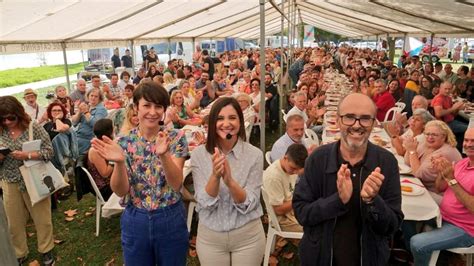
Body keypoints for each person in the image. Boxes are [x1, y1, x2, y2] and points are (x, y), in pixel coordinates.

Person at [293, 93, 403, 266]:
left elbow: (392, 226)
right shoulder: (318, 159)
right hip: (320, 257)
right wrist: (338, 201)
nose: (357, 125)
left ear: (374, 123)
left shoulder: (386, 163)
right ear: (338, 120)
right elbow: (302, 213)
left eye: (365, 119)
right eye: (349, 117)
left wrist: (373, 201)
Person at [90, 81, 189, 265]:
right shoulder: (123, 142)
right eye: (146, 105)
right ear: (136, 107)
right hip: (136, 220)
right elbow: (120, 191)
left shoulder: (176, 137)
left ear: (164, 109)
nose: (152, 112)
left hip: (170, 217)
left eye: (158, 106)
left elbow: (176, 184)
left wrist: (164, 155)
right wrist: (119, 162)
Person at [190, 97, 265, 266]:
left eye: (232, 117)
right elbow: (204, 202)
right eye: (220, 118)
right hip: (211, 238)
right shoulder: (199, 155)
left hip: (248, 237)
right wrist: (215, 177)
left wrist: (230, 181)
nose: (226, 124)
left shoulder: (254, 155)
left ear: (240, 120)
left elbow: (250, 202)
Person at [0, 96, 55, 265]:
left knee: (41, 217)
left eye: (11, 117)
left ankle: (46, 249)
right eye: (3, 118)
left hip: (34, 178)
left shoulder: (33, 127)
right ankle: (19, 252)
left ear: (18, 113)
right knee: (14, 221)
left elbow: (49, 151)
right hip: (10, 180)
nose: (7, 122)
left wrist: (27, 155)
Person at [410, 128, 474, 266]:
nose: (468, 144)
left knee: (418, 243)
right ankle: (419, 257)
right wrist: (442, 173)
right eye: (467, 140)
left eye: (473, 141)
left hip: (464, 229)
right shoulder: (463, 162)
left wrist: (452, 179)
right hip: (441, 216)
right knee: (405, 217)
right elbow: (440, 188)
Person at [404, 120, 462, 199]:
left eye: (434, 135)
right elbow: (407, 163)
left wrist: (412, 151)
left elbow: (419, 174)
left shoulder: (445, 152)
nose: (430, 137)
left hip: (439, 196)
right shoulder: (426, 144)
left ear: (443, 137)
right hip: (421, 187)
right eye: (427, 134)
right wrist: (409, 149)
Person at [263, 143, 308, 232]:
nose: (295, 172)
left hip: (293, 209)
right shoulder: (274, 176)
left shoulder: (290, 169)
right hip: (282, 219)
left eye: (298, 169)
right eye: (293, 168)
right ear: (285, 158)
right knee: (314, 231)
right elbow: (278, 210)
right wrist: (300, 199)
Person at [71, 88, 108, 154]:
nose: (93, 98)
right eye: (91, 95)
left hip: (88, 140)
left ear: (100, 98)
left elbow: (96, 125)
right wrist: (79, 111)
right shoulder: (88, 106)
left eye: (96, 96)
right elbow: (74, 123)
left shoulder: (101, 109)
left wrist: (86, 112)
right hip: (78, 136)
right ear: (88, 96)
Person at [86, 118, 114, 201]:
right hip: (105, 188)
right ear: (109, 132)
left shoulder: (106, 144)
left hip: (111, 182)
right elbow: (105, 173)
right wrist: (114, 160)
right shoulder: (95, 150)